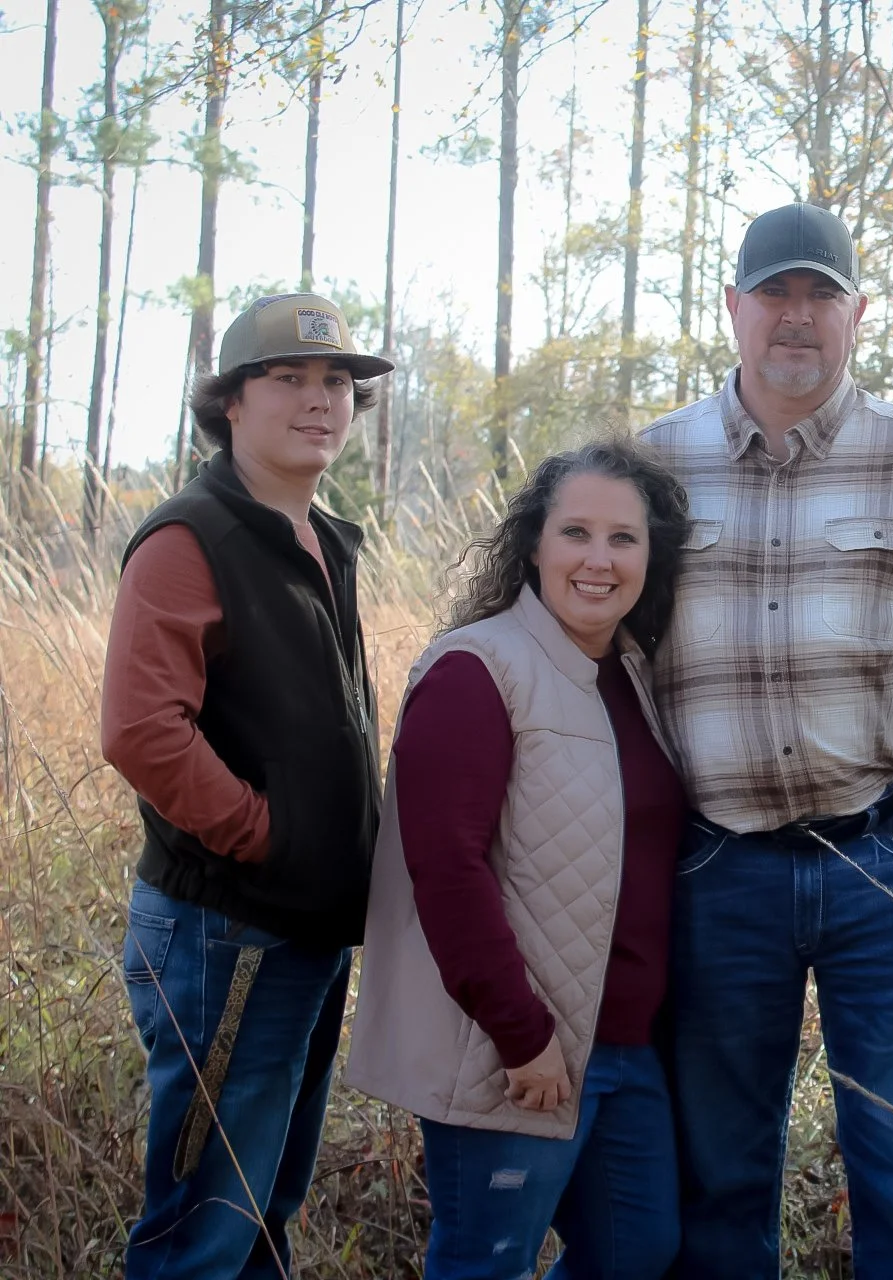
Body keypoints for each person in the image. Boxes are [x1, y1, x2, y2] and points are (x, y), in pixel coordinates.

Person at [640, 201, 893, 1277]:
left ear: (859, 313)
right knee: (718, 1170)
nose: (797, 316)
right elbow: (609, 657)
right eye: (775, 293)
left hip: (884, 865)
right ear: (732, 306)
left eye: (821, 295)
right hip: (716, 870)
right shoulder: (654, 465)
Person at [344, 437, 692, 1280]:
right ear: (534, 544)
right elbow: (446, 867)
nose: (599, 560)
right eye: (576, 533)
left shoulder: (632, 675)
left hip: (623, 1044)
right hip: (517, 1050)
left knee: (637, 1253)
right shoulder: (477, 670)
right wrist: (520, 1034)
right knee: (486, 1263)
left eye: (624, 538)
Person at [102, 293, 391, 1278]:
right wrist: (268, 835)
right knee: (202, 1227)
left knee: (263, 1210)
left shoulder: (320, 535)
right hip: (227, 930)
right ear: (231, 401)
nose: (320, 400)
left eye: (336, 381)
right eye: (289, 379)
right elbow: (141, 730)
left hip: (303, 929)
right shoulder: (193, 538)